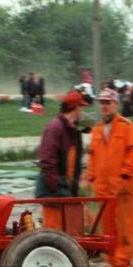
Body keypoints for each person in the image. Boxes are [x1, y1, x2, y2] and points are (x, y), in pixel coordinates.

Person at [86, 88, 133, 267]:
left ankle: (124, 263)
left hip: (123, 187)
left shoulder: (127, 127)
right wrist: (91, 177)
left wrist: (125, 176)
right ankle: (112, 262)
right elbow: (92, 156)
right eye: (101, 103)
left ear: (116, 104)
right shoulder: (97, 130)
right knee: (108, 227)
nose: (104, 106)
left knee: (126, 225)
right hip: (103, 187)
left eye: (107, 103)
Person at [35, 91, 88, 229]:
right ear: (76, 108)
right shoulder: (55, 127)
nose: (82, 111)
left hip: (66, 192)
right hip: (53, 194)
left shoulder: (73, 130)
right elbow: (47, 161)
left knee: (71, 234)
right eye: (81, 107)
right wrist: (58, 189)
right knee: (55, 236)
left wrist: (71, 190)